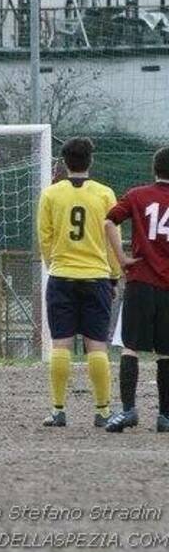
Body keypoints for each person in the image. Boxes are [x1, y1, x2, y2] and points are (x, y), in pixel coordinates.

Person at [36, 138, 119, 428]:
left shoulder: (50, 195)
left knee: (61, 344)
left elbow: (44, 238)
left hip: (61, 276)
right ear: (90, 161)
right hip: (96, 276)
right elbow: (113, 239)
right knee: (97, 345)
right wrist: (114, 274)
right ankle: (103, 411)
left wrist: (53, 264)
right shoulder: (106, 194)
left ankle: (59, 410)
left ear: (63, 162)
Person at [103, 146, 169, 433]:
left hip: (140, 281)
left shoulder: (136, 195)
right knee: (166, 352)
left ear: (154, 169)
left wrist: (122, 258)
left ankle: (129, 411)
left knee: (130, 348)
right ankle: (165, 416)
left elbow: (108, 221)